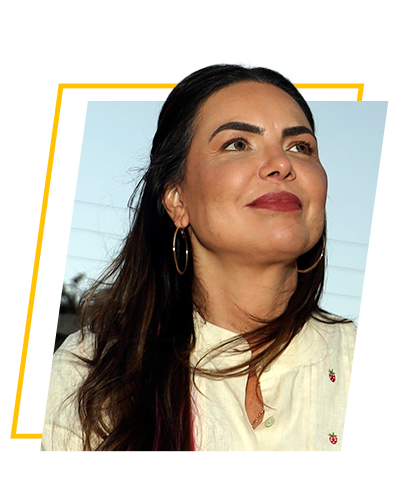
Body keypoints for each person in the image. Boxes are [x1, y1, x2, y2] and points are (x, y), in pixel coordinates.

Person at [41, 64, 356, 451]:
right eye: (237, 144)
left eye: (300, 147)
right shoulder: (88, 374)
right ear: (177, 200)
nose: (282, 163)